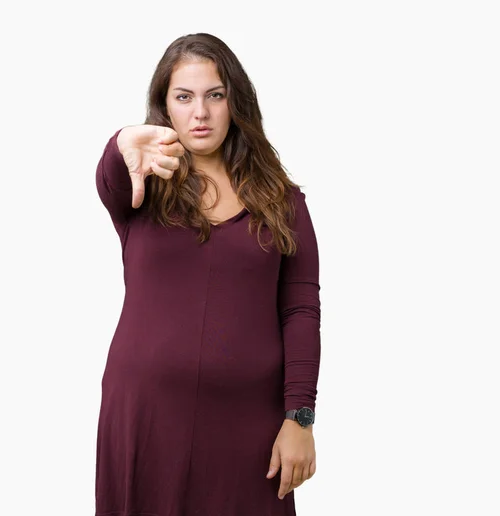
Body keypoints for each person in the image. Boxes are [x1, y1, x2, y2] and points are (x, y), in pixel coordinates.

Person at [94, 33, 321, 516]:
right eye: (184, 97)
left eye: (214, 95)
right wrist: (120, 143)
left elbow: (300, 310)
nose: (200, 112)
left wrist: (300, 417)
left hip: (250, 428)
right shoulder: (141, 187)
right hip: (145, 418)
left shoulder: (284, 202)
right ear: (166, 108)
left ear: (235, 101)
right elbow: (111, 174)